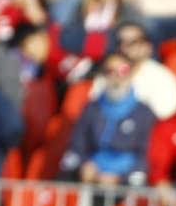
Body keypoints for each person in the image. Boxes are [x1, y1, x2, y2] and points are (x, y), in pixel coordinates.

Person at [60, 50, 157, 185]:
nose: (116, 76)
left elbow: (147, 156)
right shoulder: (92, 108)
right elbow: (77, 145)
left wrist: (120, 178)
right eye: (109, 70)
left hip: (127, 182)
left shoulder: (144, 113)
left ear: (131, 72)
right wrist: (84, 166)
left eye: (122, 70)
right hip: (93, 176)